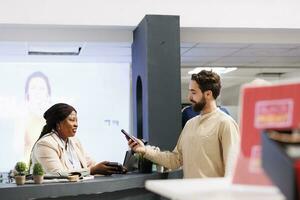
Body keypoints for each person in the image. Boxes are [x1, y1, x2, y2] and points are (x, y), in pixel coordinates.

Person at [128, 70, 240, 178]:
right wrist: (145, 150)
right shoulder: (190, 124)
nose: (189, 97)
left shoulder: (225, 123)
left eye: (193, 92)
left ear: (208, 94)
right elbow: (175, 160)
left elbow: (233, 169)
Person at [30, 103, 119, 175]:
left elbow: (91, 164)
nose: (76, 124)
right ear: (58, 124)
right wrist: (91, 171)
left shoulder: (74, 141)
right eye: (72, 120)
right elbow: (57, 174)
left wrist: (112, 168)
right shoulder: (45, 144)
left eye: (76, 120)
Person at [23, 71, 51, 164]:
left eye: (41, 88)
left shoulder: (54, 121)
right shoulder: (23, 121)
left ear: (48, 94)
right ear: (27, 94)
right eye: (33, 88)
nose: (37, 92)